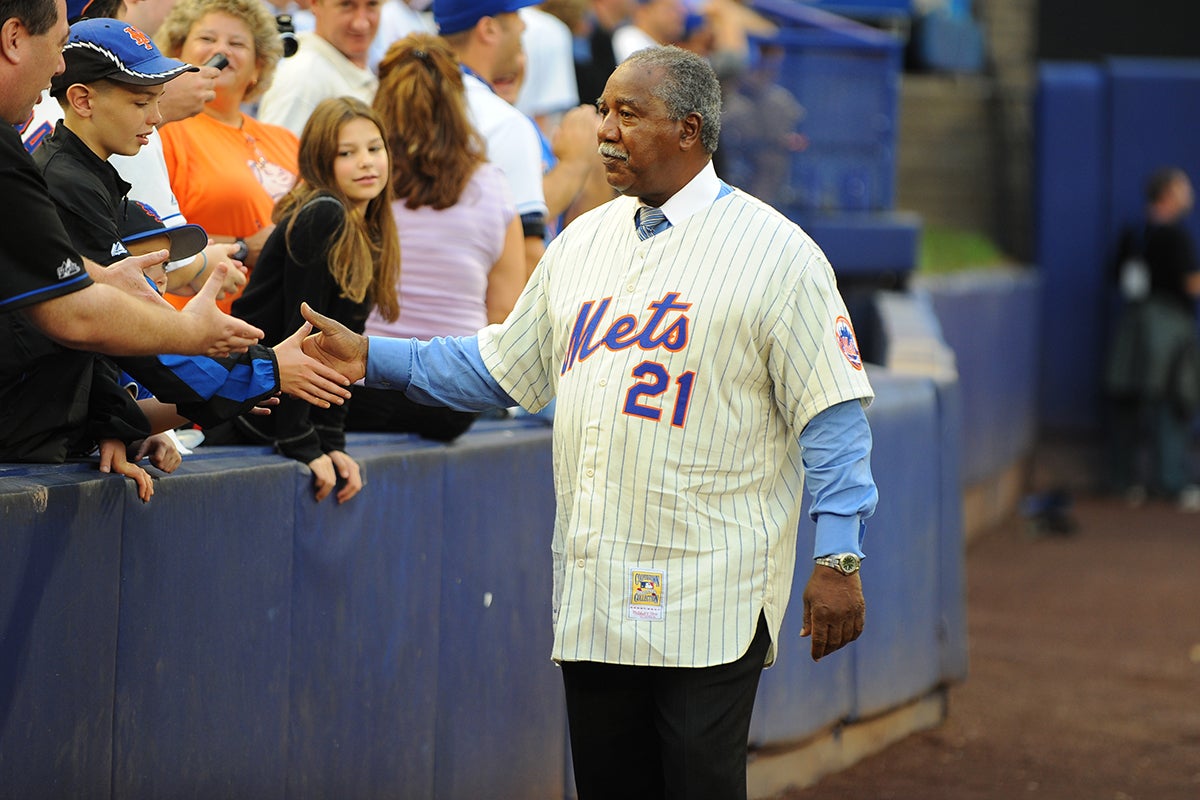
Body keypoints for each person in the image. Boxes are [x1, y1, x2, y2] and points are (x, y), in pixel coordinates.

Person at [300, 46, 877, 799]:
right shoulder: (581, 243)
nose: (603, 129)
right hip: (598, 586)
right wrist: (371, 357)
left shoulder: (778, 254)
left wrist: (839, 556)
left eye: (627, 114)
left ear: (689, 130)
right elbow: (499, 367)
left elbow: (831, 413)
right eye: (602, 110)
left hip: (713, 587)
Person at [0, 0, 265, 361]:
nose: (156, 117)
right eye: (142, 103)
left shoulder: (93, 168)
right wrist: (256, 369)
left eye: (157, 100)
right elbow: (85, 314)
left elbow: (65, 271)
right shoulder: (68, 177)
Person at [207, 97, 400, 503]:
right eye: (346, 153)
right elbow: (304, 335)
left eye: (374, 148)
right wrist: (300, 441)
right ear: (319, 160)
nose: (366, 162)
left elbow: (344, 352)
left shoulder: (369, 227)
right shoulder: (323, 214)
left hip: (285, 408)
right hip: (251, 412)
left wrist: (332, 441)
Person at [346, 33, 523, 441]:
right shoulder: (493, 184)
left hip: (361, 388)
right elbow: (503, 314)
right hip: (453, 400)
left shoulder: (357, 180)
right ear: (458, 101)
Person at [156, 0, 299, 311]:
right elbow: (147, 241)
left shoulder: (287, 141)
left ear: (258, 66)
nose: (222, 50)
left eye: (237, 43)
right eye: (207, 39)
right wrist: (243, 247)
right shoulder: (161, 131)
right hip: (193, 320)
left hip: (277, 320)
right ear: (177, 53)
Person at [1105, 166, 1200, 510]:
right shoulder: (1175, 235)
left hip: (1133, 323)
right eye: (1182, 188)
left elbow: (1115, 275)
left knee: (1129, 400)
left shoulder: (1134, 232)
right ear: (1167, 195)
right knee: (1172, 401)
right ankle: (1171, 482)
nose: (1189, 194)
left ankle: (1124, 481)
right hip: (1168, 326)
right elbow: (1191, 284)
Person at [432, 0, 549, 276]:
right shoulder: (502, 122)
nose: (523, 25)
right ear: (488, 29)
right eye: (515, 15)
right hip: (479, 298)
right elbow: (527, 257)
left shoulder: (402, 97)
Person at [255, 0, 381, 136]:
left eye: (372, 4)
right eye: (346, 5)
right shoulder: (303, 76)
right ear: (315, 4)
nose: (361, 24)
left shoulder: (338, 66)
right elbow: (277, 147)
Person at [611, 0, 685, 62]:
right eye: (670, 8)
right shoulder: (628, 37)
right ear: (644, 11)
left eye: (679, 9)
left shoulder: (658, 46)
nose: (680, 14)